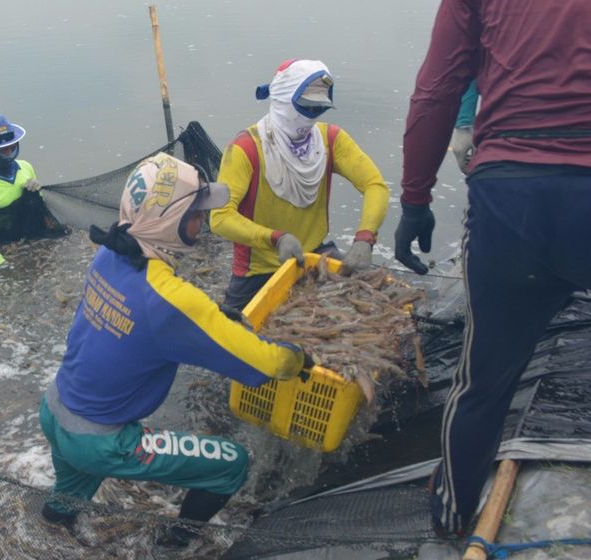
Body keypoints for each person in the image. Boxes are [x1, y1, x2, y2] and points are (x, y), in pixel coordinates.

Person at [38, 152, 315, 546]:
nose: (203, 224)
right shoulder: (170, 301)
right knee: (231, 465)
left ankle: (48, 535)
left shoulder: (110, 252)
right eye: (196, 214)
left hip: (56, 408)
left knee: (67, 497)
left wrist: (212, 314)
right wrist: (299, 358)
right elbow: (264, 362)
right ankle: (175, 545)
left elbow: (142, 312)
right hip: (99, 440)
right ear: (169, 221)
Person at [395, 0, 591, 536]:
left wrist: (415, 200)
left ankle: (452, 517)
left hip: (510, 200)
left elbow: (436, 88)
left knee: (481, 381)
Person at [210, 59, 390, 311]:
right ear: (283, 101)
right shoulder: (245, 149)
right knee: (231, 337)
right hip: (259, 269)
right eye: (306, 108)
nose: (312, 117)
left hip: (316, 256)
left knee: (372, 308)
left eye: (319, 110)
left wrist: (365, 237)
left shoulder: (330, 140)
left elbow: (375, 185)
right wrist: (275, 238)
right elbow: (220, 218)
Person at [0, 113, 62, 266]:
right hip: (3, 245)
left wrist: (36, 194)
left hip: (32, 237)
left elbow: (42, 208)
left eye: (12, 147)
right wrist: (1, 262)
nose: (9, 152)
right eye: (3, 149)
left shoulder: (26, 167)